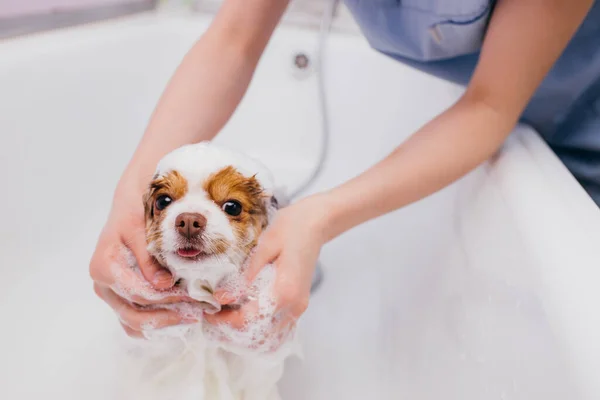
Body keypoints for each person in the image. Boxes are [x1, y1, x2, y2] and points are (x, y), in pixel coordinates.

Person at [90, 0, 597, 339]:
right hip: (491, 115)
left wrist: (319, 216)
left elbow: (490, 105)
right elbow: (234, 37)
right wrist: (134, 190)